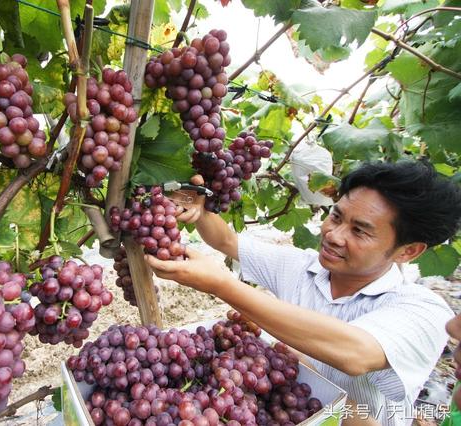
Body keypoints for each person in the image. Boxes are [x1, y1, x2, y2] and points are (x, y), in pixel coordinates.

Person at [145, 159, 461, 425]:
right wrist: (201, 212)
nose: (333, 235)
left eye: (359, 231)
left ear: (408, 251)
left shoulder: (426, 311)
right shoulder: (302, 267)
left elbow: (357, 352)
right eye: (335, 216)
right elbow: (228, 242)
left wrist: (223, 285)